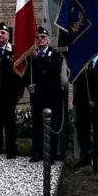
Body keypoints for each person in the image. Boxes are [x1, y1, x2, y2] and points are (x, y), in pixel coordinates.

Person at [0, 22, 24, 159]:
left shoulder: (15, 51)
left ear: (8, 36)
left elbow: (20, 74)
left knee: (9, 122)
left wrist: (20, 91)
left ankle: (11, 149)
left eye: (3, 33)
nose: (0, 35)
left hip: (9, 94)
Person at [72, 48, 98, 173]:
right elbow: (77, 84)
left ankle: (97, 159)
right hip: (82, 103)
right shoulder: (81, 63)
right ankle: (85, 156)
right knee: (82, 131)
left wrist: (95, 100)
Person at [27, 26, 64, 163]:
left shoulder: (54, 54)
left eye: (43, 37)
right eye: (37, 37)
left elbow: (55, 68)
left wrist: (38, 58)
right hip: (37, 96)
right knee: (37, 125)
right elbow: (27, 74)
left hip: (52, 96)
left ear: (48, 40)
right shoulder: (31, 55)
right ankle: (37, 152)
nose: (40, 39)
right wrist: (28, 86)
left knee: (51, 125)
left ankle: (51, 155)